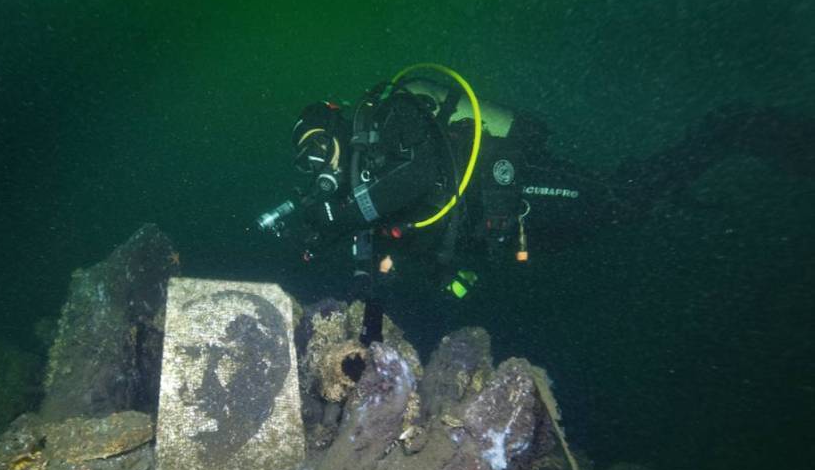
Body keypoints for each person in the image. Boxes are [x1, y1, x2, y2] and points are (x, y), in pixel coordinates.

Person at [255, 63, 813, 340]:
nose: (318, 167)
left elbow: (424, 175)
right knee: (621, 214)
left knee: (616, 200)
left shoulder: (389, 121)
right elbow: (374, 264)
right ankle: (693, 176)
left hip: (513, 190)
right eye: (305, 162)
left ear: (341, 129)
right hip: (505, 233)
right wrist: (365, 330)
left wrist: (332, 215)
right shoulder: (362, 191)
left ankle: (730, 127)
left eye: (319, 149)